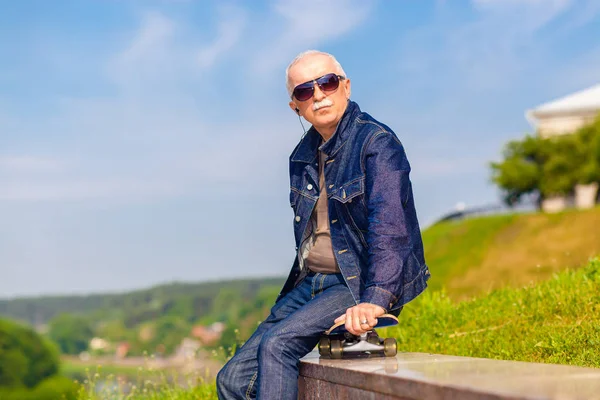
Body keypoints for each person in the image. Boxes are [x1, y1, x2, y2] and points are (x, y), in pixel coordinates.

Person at [216, 50, 430, 400]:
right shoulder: (301, 156)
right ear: (295, 107)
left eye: (326, 83)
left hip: (356, 279)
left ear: (345, 86)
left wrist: (376, 299)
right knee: (233, 380)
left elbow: (391, 227)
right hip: (311, 281)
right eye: (304, 91)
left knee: (277, 346)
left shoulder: (376, 143)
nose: (317, 94)